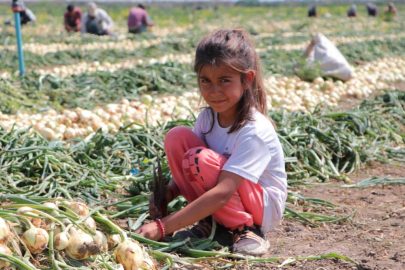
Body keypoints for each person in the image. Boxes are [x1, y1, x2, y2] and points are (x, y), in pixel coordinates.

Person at [135, 29, 287, 256]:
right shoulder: (207, 118)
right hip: (225, 196)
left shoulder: (254, 130)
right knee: (177, 137)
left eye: (224, 81)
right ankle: (212, 223)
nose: (214, 91)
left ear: (247, 79)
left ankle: (245, 229)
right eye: (206, 81)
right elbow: (189, 170)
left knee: (199, 159)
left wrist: (161, 227)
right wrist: (169, 193)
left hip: (260, 208)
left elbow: (223, 191)